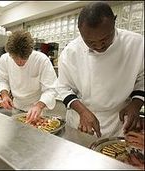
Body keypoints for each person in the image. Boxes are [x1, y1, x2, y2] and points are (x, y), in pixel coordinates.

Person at [56, 2, 144, 138]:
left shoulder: (137, 44)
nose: (99, 46)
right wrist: (83, 112)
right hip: (81, 123)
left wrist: (136, 104)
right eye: (90, 42)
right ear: (80, 32)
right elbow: (63, 88)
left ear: (114, 22)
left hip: (118, 122)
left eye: (105, 38)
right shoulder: (70, 53)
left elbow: (142, 78)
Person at [0, 30, 57, 123]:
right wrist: (4, 95)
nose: (20, 62)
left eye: (24, 59)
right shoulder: (4, 59)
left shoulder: (41, 60)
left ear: (30, 52)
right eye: (15, 58)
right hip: (16, 107)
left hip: (37, 110)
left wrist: (39, 105)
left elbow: (51, 89)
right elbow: (1, 80)